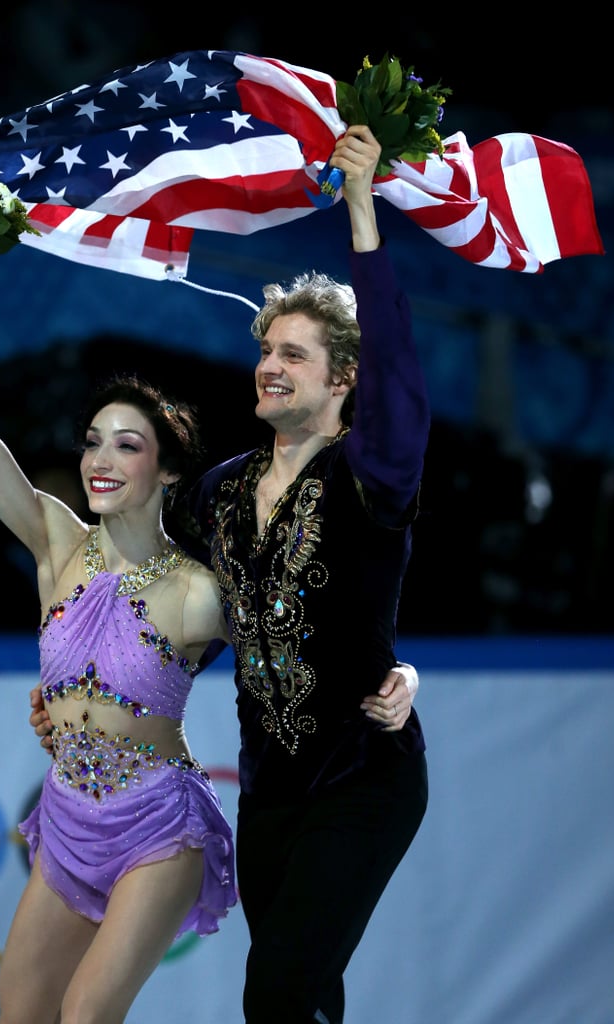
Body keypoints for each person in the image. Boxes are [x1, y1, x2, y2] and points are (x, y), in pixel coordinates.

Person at [29, 123, 430, 1023]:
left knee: (283, 993)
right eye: (265, 351)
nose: (269, 366)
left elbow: (403, 372)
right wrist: (81, 685)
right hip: (267, 783)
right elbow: (190, 620)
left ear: (344, 379)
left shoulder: (374, 474)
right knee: (287, 998)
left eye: (294, 354)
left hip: (363, 776)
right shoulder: (217, 490)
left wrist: (361, 207)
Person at [0, 228, 240, 1024]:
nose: (101, 458)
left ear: (168, 469)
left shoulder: (194, 592)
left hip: (159, 825)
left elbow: (299, 644)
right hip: (65, 816)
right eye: (93, 442)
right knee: (19, 1014)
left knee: (85, 1017)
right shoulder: (58, 544)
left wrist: (395, 674)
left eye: (127, 444)